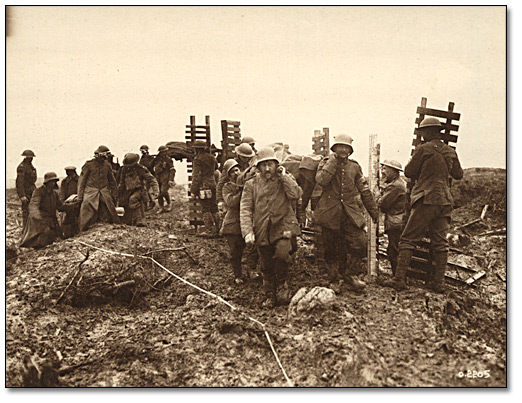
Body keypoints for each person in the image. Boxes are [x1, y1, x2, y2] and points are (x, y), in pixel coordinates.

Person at [383, 117, 463, 293]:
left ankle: (399, 280)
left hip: (425, 199)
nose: (422, 135)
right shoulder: (450, 151)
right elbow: (458, 174)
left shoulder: (423, 149)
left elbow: (410, 171)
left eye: (424, 132)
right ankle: (438, 283)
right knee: (441, 243)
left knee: (408, 239)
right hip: (444, 201)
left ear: (428, 132)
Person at [314, 134, 379, 293]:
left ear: (350, 150)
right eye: (339, 147)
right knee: (331, 248)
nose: (343, 150)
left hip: (350, 213)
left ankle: (351, 275)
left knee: (360, 243)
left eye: (346, 147)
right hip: (330, 213)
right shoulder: (325, 163)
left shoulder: (354, 167)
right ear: (334, 149)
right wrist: (333, 162)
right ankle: (334, 279)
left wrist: (374, 211)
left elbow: (364, 190)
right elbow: (321, 180)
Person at [240, 147, 302, 307]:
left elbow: (296, 194)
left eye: (271, 164)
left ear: (276, 165)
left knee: (282, 253)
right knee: (266, 263)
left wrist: (284, 177)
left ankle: (282, 286)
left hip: (284, 227)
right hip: (262, 228)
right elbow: (245, 208)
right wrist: (247, 231)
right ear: (258, 167)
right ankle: (269, 294)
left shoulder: (284, 179)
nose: (268, 168)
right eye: (264, 165)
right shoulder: (251, 184)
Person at [20, 172, 73, 248]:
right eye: (51, 181)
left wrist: (73, 206)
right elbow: (34, 205)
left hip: (52, 221)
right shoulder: (38, 192)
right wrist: (37, 217)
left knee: (60, 237)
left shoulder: (54, 194)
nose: (53, 183)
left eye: (54, 181)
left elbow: (60, 207)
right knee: (41, 240)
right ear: (46, 182)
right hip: (40, 221)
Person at [77, 145, 120, 231]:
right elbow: (82, 181)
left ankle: (113, 226)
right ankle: (83, 229)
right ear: (98, 155)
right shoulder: (88, 165)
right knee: (86, 209)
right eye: (103, 156)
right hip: (90, 191)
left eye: (105, 157)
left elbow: (112, 181)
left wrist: (115, 193)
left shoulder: (107, 165)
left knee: (110, 208)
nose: (104, 159)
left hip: (104, 191)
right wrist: (80, 196)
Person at [377, 160, 406, 275]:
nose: (383, 172)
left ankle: (397, 277)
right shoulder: (399, 183)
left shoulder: (395, 186)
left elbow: (383, 205)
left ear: (394, 171)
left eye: (385, 169)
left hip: (395, 222)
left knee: (393, 250)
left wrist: (378, 195)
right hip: (398, 221)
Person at [221, 159, 248, 284]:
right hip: (232, 225)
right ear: (228, 175)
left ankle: (250, 270)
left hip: (246, 222)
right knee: (235, 252)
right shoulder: (227, 188)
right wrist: (241, 192)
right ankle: (238, 275)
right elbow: (231, 202)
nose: (236, 173)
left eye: (237, 170)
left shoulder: (247, 184)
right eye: (232, 172)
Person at [117, 153, 159, 226]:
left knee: (133, 200)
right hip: (128, 190)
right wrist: (118, 192)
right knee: (123, 202)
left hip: (140, 190)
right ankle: (129, 221)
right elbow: (122, 182)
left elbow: (152, 180)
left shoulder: (141, 169)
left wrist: (156, 191)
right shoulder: (124, 169)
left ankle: (139, 221)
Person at [190, 141, 221, 237]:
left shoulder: (197, 159)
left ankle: (210, 231)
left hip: (203, 186)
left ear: (197, 149)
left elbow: (196, 176)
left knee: (205, 208)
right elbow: (216, 167)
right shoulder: (212, 157)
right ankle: (220, 230)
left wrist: (193, 189)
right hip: (213, 184)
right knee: (214, 207)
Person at [216, 143, 256, 211]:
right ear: (239, 155)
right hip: (234, 193)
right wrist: (220, 200)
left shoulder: (250, 165)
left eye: (248, 157)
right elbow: (221, 183)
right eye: (244, 157)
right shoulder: (232, 166)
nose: (246, 159)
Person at [16, 149, 37, 228]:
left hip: (32, 191)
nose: (31, 159)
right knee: (26, 212)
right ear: (26, 158)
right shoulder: (22, 167)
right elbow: (19, 183)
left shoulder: (31, 167)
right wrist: (22, 195)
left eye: (31, 157)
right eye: (29, 157)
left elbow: (33, 180)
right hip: (26, 192)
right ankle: (25, 230)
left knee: (34, 211)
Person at [59, 166, 80, 238]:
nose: (68, 173)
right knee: (69, 219)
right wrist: (62, 203)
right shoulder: (64, 181)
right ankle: (68, 234)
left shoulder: (79, 180)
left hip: (77, 201)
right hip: (68, 203)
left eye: (69, 172)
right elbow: (62, 193)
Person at [153, 145, 175, 213]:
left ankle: (169, 204)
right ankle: (161, 207)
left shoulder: (168, 159)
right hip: (158, 178)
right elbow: (153, 167)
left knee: (163, 191)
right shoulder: (156, 159)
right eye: (162, 152)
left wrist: (171, 179)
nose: (163, 153)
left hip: (166, 178)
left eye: (164, 152)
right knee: (160, 191)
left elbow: (172, 169)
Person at [139, 145, 156, 210]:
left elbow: (149, 165)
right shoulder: (142, 157)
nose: (142, 152)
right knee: (145, 190)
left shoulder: (150, 158)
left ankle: (151, 202)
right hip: (144, 175)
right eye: (141, 150)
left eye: (143, 150)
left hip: (149, 175)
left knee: (146, 190)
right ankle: (148, 204)